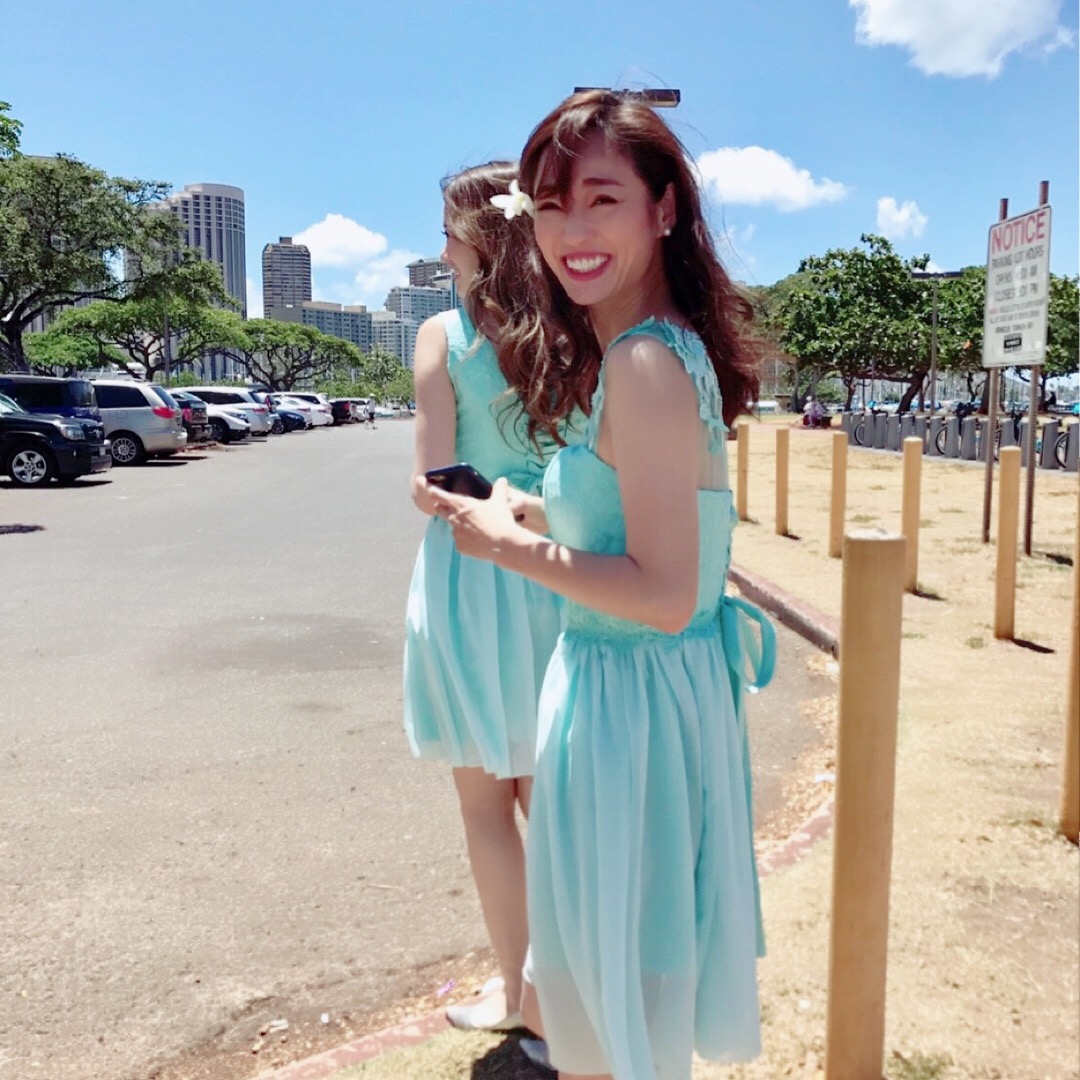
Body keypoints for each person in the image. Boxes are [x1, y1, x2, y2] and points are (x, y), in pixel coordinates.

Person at [429, 91, 775, 1079]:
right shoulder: (653, 345)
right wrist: (541, 509)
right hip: (651, 701)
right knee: (627, 985)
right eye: (551, 206)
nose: (572, 232)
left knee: (611, 1004)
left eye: (602, 200)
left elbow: (663, 592)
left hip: (630, 711)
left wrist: (504, 545)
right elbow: (647, 518)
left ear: (663, 209)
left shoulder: (644, 361)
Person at [403, 160, 581, 1034]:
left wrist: (462, 490)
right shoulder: (580, 331)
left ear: (479, 237)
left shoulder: (443, 335)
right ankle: (574, 1002)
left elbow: (428, 484)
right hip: (560, 568)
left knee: (485, 807)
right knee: (557, 809)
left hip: (473, 575)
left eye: (448, 232)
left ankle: (520, 999)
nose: (442, 250)